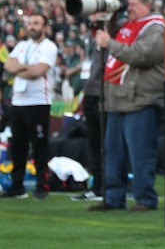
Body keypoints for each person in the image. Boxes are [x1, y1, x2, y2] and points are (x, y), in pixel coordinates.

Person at [88, 0, 165, 212]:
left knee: (140, 154)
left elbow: (141, 56)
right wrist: (109, 14)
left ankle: (145, 198)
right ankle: (113, 198)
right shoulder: (126, 26)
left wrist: (109, 44)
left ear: (146, 5)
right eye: (127, 5)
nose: (128, 9)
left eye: (132, 5)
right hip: (117, 99)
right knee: (113, 153)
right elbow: (103, 35)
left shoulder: (155, 28)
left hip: (141, 99)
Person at [1, 13, 58, 200]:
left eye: (36, 23)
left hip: (38, 102)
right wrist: (26, 68)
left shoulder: (49, 46)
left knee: (40, 146)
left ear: (44, 27)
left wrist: (20, 69)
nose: (32, 27)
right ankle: (17, 186)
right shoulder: (22, 45)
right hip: (18, 102)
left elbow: (38, 71)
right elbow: (8, 65)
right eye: (30, 23)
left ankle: (42, 186)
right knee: (17, 146)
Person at [71, 14, 105, 202]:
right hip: (90, 91)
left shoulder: (109, 33)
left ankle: (110, 185)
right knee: (94, 143)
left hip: (104, 92)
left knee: (105, 143)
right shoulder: (88, 37)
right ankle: (97, 186)